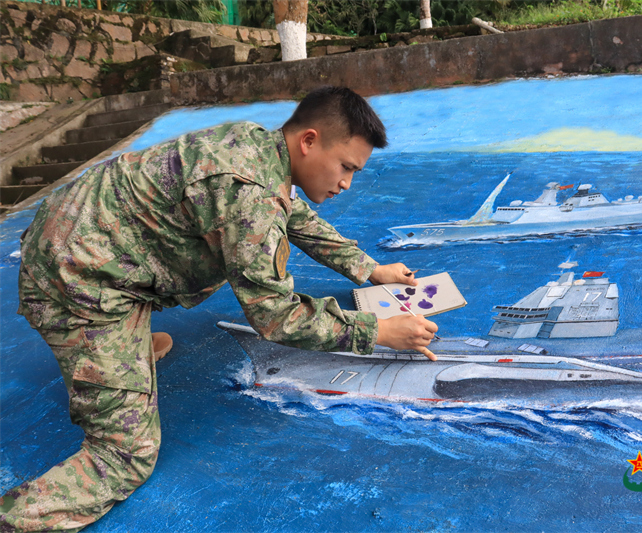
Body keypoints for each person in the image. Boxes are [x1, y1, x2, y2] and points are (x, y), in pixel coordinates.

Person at [1, 86, 438, 531]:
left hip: (82, 236)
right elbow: (275, 315)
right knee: (125, 458)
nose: (346, 183)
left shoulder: (257, 146)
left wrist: (369, 269)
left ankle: (121, 349)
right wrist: (378, 332)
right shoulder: (251, 194)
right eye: (346, 167)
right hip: (73, 280)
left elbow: (294, 215)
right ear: (309, 141)